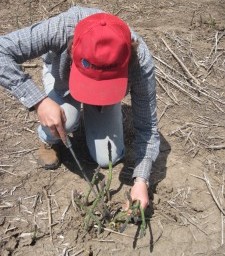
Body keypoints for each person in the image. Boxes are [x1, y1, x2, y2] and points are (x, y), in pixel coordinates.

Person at [0, 6, 160, 210]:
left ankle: (95, 114)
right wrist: (39, 101)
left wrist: (141, 181)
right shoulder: (61, 28)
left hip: (107, 94)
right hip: (63, 79)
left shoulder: (139, 59)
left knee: (109, 158)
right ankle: (48, 140)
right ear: (72, 48)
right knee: (68, 118)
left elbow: (148, 128)